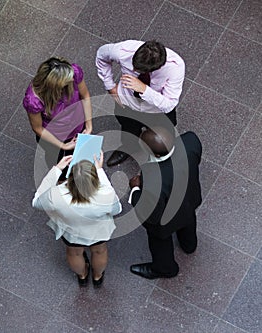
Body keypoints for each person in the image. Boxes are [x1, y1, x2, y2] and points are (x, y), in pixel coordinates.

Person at [32, 152, 122, 287]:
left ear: (71, 177)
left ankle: (82, 276)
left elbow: (36, 202)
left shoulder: (56, 195)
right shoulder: (105, 195)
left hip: (72, 233)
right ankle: (97, 277)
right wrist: (100, 171)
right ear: (94, 179)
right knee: (99, 251)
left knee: (74, 253)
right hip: (98, 232)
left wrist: (57, 169)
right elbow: (117, 209)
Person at [96, 40, 185, 166]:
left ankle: (163, 158)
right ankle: (129, 147)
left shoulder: (175, 68)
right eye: (133, 65)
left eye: (137, 70)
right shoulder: (122, 50)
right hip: (127, 103)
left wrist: (144, 89)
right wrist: (110, 86)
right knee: (128, 129)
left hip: (156, 111)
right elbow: (101, 55)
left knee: (163, 136)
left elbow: (169, 104)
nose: (132, 69)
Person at [128, 127, 202, 279]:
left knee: (159, 241)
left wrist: (135, 189)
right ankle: (189, 245)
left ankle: (165, 268)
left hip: (165, 221)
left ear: (154, 153)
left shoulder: (151, 178)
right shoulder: (190, 141)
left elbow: (150, 213)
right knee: (188, 222)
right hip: (189, 202)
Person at [23, 57, 92, 177]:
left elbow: (85, 95)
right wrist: (62, 145)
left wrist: (89, 125)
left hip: (77, 126)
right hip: (54, 136)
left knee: (79, 154)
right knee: (57, 159)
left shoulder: (73, 73)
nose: (72, 80)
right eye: (67, 81)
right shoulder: (34, 100)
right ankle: (62, 180)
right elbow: (38, 128)